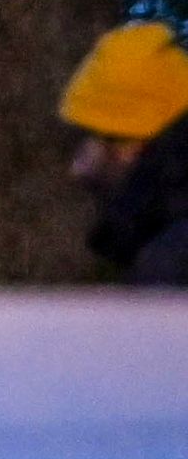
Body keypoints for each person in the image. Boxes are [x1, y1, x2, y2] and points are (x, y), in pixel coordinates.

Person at [69, 22, 188, 287]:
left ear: (129, 145)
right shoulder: (163, 242)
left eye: (92, 139)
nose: (76, 169)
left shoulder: (168, 261)